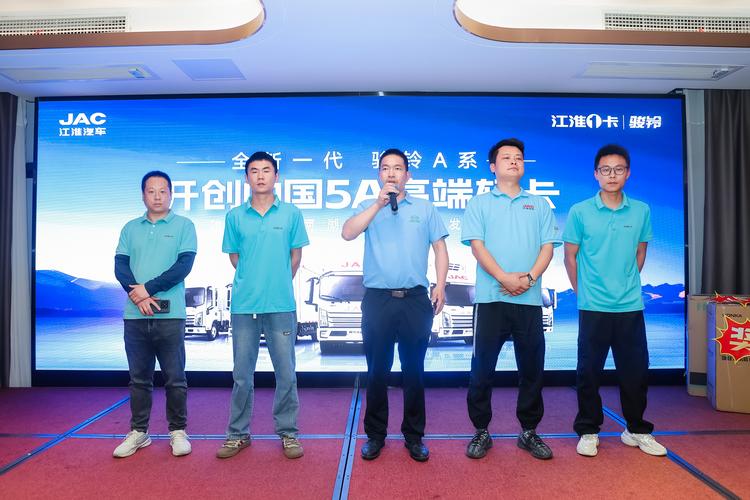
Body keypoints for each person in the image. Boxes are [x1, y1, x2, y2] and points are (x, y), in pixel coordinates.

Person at [342, 148, 448, 462]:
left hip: (415, 299)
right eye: (386, 168)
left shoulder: (425, 208)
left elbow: (440, 248)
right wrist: (377, 204)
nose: (391, 173)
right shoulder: (367, 206)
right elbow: (347, 233)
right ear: (379, 174)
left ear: (408, 175)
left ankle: (414, 436)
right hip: (378, 300)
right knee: (377, 371)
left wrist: (441, 285)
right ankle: (375, 435)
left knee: (414, 371)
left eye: (398, 168)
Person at [563, 144, 667, 458]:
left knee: (635, 371)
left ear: (628, 173)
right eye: (606, 170)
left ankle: (636, 429)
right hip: (593, 306)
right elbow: (570, 257)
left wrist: (625, 283)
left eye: (618, 169)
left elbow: (640, 253)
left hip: (630, 305)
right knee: (589, 372)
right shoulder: (580, 211)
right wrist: (583, 292)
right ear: (596, 174)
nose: (612, 175)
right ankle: (588, 429)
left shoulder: (641, 210)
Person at [461, 138, 559, 460]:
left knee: (532, 369)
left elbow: (548, 247)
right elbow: (477, 247)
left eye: (519, 157)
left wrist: (529, 279)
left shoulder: (539, 204)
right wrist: (503, 278)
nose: (514, 161)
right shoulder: (479, 204)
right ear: (493, 167)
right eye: (506, 158)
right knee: (482, 369)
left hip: (529, 301)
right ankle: (481, 430)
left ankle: (528, 431)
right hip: (490, 300)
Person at [216, 151, 309, 460]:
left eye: (266, 170)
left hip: (281, 303)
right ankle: (238, 434)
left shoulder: (291, 213)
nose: (260, 176)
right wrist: (254, 279)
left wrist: (276, 280)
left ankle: (288, 433)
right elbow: (235, 257)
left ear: (276, 176)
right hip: (245, 306)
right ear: (246, 177)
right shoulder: (235, 216)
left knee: (286, 374)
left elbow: (295, 256)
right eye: (254, 171)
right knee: (242, 375)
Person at [113, 170, 197, 458]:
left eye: (163, 191)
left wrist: (146, 290)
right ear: (143, 195)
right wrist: (138, 296)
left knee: (175, 378)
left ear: (171, 194)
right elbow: (120, 267)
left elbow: (182, 267)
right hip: (135, 316)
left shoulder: (184, 226)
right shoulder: (130, 228)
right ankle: (139, 432)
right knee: (139, 379)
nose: (158, 196)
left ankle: (178, 431)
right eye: (151, 191)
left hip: (170, 316)